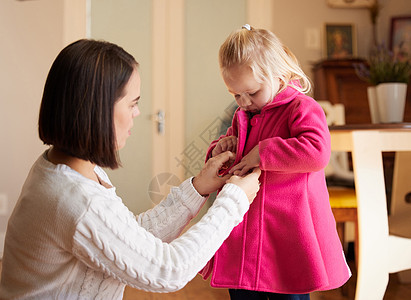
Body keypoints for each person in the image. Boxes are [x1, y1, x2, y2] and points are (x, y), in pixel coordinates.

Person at [0, 39, 261, 299]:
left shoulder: (64, 167)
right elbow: (169, 270)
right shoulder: (76, 200)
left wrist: (197, 188)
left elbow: (128, 239)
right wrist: (233, 201)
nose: (137, 113)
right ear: (98, 110)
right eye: (132, 103)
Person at [200, 25, 351, 300]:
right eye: (235, 95)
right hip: (245, 234)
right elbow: (230, 160)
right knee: (242, 290)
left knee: (289, 293)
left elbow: (317, 151)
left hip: (287, 233)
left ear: (279, 75)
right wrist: (219, 149)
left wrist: (263, 152)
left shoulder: (302, 108)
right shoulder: (242, 116)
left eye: (252, 92)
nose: (244, 102)